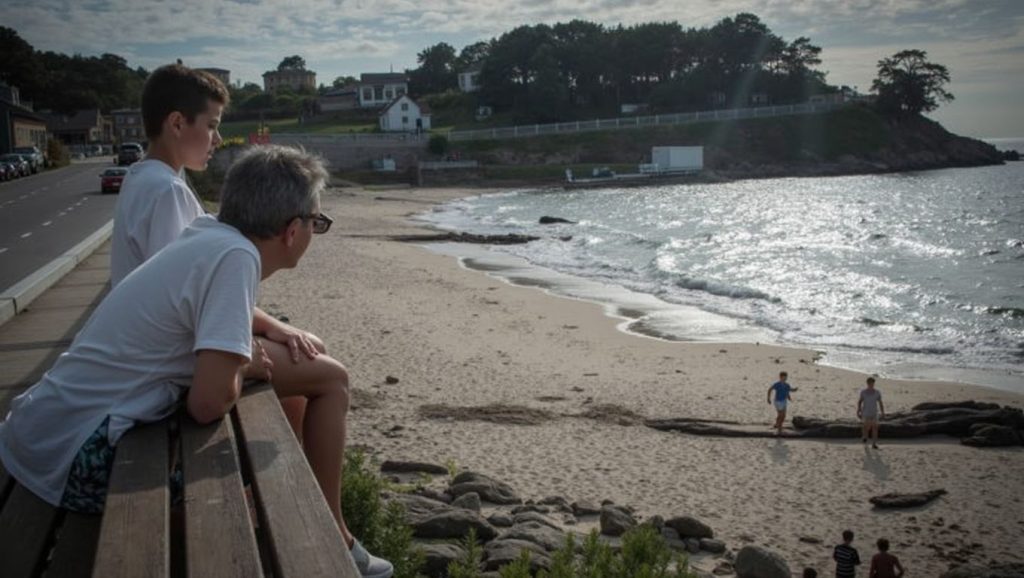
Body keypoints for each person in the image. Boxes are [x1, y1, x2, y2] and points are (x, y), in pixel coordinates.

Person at [0, 146, 392, 578]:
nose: (315, 232)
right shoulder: (237, 258)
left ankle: (310, 518)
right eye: (317, 222)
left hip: (43, 433)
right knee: (333, 379)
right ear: (292, 230)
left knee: (313, 365)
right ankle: (333, 534)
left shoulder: (210, 234)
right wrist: (244, 366)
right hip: (72, 457)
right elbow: (207, 404)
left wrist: (272, 331)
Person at [110, 63, 321, 443]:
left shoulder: (143, 178)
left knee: (298, 368)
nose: (218, 138)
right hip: (162, 362)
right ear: (177, 123)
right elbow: (193, 292)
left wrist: (271, 326)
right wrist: (258, 342)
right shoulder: (167, 192)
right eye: (211, 125)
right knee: (315, 367)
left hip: (147, 351)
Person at [858, 377, 886, 449]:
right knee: (866, 427)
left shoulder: (877, 392)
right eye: (870, 383)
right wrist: (858, 410)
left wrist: (882, 412)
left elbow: (880, 402)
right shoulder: (863, 392)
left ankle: (874, 444)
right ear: (867, 383)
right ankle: (865, 437)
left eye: (873, 383)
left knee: (875, 428)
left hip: (874, 413)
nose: (871, 385)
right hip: (866, 412)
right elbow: (860, 401)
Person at [767, 371, 797, 435]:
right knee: (781, 415)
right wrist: (768, 398)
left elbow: (788, 391)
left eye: (785, 378)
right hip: (778, 401)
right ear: (780, 377)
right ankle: (779, 430)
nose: (784, 379)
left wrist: (791, 395)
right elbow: (770, 389)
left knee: (783, 415)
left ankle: (777, 424)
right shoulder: (777, 384)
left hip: (784, 401)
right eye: (783, 378)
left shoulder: (787, 385)